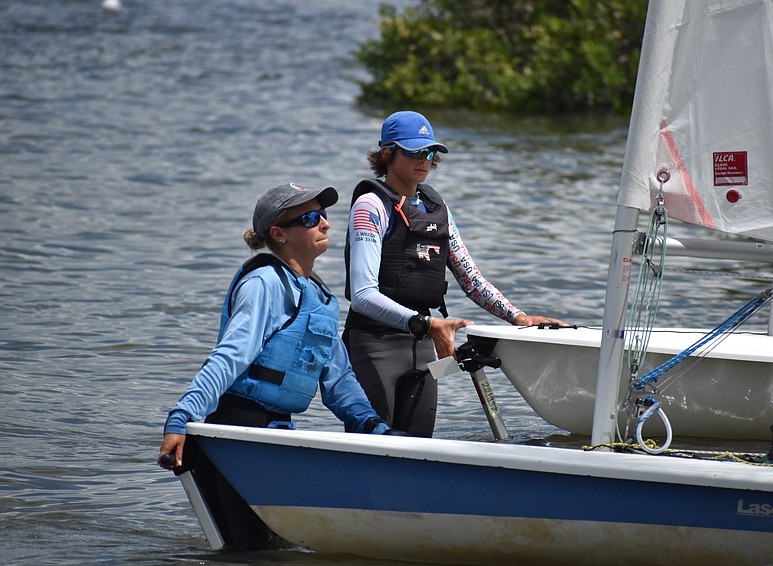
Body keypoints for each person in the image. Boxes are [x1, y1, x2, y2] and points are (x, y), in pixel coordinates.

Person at [158, 182, 398, 549]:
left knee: (276, 550)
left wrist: (372, 426)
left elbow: (339, 379)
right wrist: (181, 417)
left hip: (277, 435)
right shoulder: (263, 284)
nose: (325, 224)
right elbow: (229, 357)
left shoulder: (318, 297)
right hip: (236, 435)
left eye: (324, 214)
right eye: (311, 217)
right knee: (249, 552)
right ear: (279, 234)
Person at [343, 111, 564, 438]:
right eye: (415, 152)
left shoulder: (436, 206)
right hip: (374, 343)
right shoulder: (370, 206)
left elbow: (471, 280)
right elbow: (363, 296)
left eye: (430, 153)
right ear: (388, 153)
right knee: (373, 447)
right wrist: (428, 325)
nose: (425, 161)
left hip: (425, 343)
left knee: (420, 448)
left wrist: (517, 317)